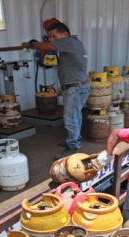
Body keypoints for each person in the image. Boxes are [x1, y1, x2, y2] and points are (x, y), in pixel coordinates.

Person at [25, 22, 89, 159]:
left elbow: (43, 46)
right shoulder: (76, 43)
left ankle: (72, 146)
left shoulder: (69, 42)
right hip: (78, 85)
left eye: (54, 36)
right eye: (50, 37)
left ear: (65, 34)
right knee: (76, 115)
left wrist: (32, 43)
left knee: (70, 117)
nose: (52, 40)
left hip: (75, 87)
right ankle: (74, 140)